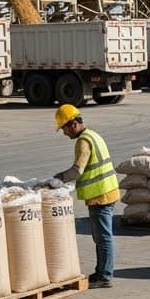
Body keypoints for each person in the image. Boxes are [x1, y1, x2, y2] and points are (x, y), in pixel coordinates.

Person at [52, 104, 119, 288]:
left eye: (64, 129)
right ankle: (101, 272)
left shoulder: (83, 141)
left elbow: (77, 170)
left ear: (72, 124)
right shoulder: (93, 135)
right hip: (107, 191)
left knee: (103, 237)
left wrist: (59, 178)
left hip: (100, 195)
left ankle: (104, 276)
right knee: (101, 237)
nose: (65, 133)